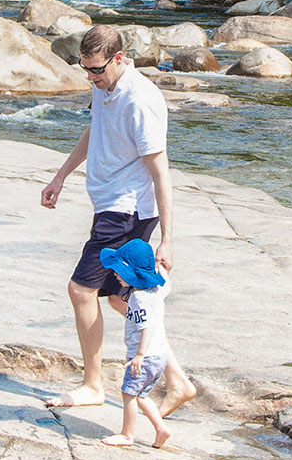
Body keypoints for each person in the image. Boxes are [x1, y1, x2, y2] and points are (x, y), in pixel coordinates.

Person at [40, 22, 196, 414]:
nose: (91, 77)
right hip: (111, 205)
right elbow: (94, 132)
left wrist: (168, 239)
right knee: (119, 299)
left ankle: (93, 385)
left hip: (127, 211)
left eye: (98, 70)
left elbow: (161, 172)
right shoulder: (104, 88)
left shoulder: (140, 100)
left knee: (80, 291)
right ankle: (177, 381)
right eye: (85, 69)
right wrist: (61, 176)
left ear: (120, 58)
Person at [97, 237, 172, 449]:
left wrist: (139, 355)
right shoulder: (156, 290)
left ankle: (127, 434)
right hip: (160, 355)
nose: (115, 274)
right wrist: (162, 269)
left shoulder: (139, 299)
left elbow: (145, 327)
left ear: (133, 274)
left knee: (129, 393)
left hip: (145, 356)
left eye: (119, 271)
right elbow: (168, 286)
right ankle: (161, 429)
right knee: (142, 395)